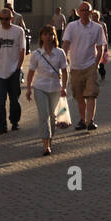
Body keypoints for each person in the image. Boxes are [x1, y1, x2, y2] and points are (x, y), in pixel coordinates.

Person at [62, 1, 108, 131]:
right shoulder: (71, 26)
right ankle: (82, 120)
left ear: (91, 12)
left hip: (90, 65)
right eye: (82, 10)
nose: (84, 12)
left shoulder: (97, 28)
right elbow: (65, 44)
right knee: (79, 96)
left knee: (91, 94)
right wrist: (63, 58)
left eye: (87, 10)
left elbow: (100, 48)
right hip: (75, 66)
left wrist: (96, 64)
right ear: (78, 12)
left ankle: (90, 121)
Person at [25, 25, 69, 156]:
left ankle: (50, 139)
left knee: (53, 116)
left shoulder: (60, 52)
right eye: (45, 34)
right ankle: (46, 145)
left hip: (55, 87)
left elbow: (65, 71)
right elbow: (31, 73)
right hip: (40, 87)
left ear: (54, 36)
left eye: (51, 34)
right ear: (41, 37)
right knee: (44, 116)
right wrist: (28, 88)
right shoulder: (36, 54)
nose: (48, 37)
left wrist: (64, 87)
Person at [0, 6, 27, 134]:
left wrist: (18, 68)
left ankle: (14, 121)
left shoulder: (18, 31)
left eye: (6, 19)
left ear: (12, 19)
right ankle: (1, 126)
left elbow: (22, 51)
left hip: (14, 70)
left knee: (14, 100)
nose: (4, 21)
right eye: (1, 19)